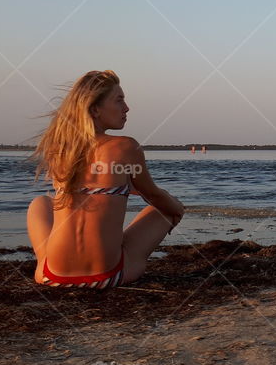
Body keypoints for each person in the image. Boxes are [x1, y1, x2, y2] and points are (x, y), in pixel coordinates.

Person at [26, 70, 185, 289]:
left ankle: (45, 263)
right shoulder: (126, 146)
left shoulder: (61, 150)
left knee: (41, 202)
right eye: (119, 100)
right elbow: (153, 195)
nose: (126, 108)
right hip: (107, 276)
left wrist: (118, 188)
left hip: (51, 276)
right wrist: (178, 210)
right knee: (165, 207)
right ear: (95, 109)